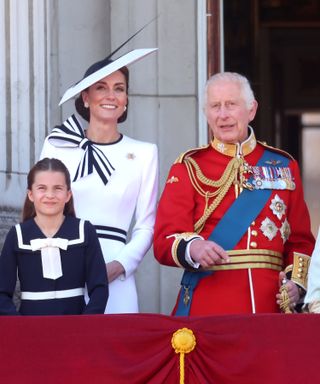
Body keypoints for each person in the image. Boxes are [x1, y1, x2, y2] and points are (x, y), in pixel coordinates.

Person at [153, 72, 315, 316]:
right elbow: (164, 239)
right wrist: (194, 248)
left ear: (251, 110)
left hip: (269, 306)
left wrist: (296, 285)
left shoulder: (283, 166)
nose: (223, 115)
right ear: (206, 113)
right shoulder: (188, 166)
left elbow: (301, 240)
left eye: (231, 104)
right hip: (209, 305)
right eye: (215, 106)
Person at [40, 49, 159, 314]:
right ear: (85, 97)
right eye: (101, 87)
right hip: (60, 267)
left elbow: (146, 225)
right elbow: (39, 211)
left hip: (115, 274)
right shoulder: (57, 144)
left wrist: (119, 266)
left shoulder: (144, 152)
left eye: (119, 88)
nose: (110, 96)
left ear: (126, 99)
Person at [0, 158, 108, 315]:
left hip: (76, 328)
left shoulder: (84, 231)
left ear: (68, 194)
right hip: (31, 328)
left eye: (58, 188)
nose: (50, 195)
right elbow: (2, 293)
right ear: (31, 194)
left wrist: (87, 325)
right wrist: (19, 326)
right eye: (42, 188)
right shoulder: (17, 235)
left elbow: (100, 287)